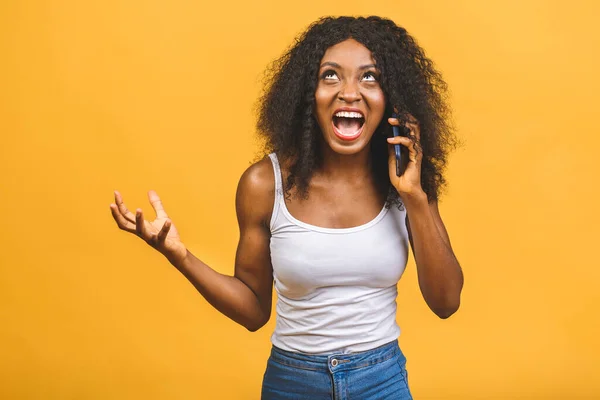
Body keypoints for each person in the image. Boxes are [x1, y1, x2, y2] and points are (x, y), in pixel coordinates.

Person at [110, 15, 464, 400]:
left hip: (381, 380)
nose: (349, 92)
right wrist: (179, 256)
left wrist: (415, 198)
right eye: (330, 76)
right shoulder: (264, 184)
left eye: (369, 77)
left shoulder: (406, 179)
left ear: (392, 99)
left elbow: (446, 301)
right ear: (306, 95)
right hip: (292, 383)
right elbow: (253, 311)